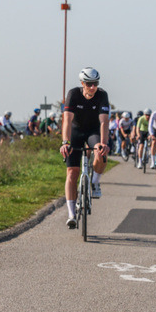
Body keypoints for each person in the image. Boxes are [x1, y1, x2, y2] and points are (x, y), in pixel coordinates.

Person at [59, 68, 110, 228]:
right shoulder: (73, 94)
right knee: (72, 172)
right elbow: (67, 120)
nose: (93, 87)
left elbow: (104, 122)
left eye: (95, 84)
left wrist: (103, 143)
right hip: (75, 131)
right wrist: (65, 142)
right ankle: (71, 214)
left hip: (93, 131)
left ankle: (94, 182)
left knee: (101, 155)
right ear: (82, 84)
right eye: (89, 84)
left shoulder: (102, 95)